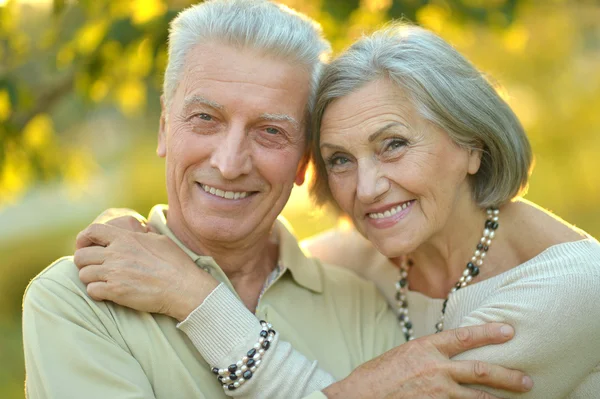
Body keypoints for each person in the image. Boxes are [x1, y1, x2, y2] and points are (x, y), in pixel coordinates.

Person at [21, 1, 532, 399]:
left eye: (269, 131)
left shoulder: (363, 304)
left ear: (305, 159)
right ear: (164, 127)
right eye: (205, 119)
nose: (229, 161)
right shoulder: (77, 299)